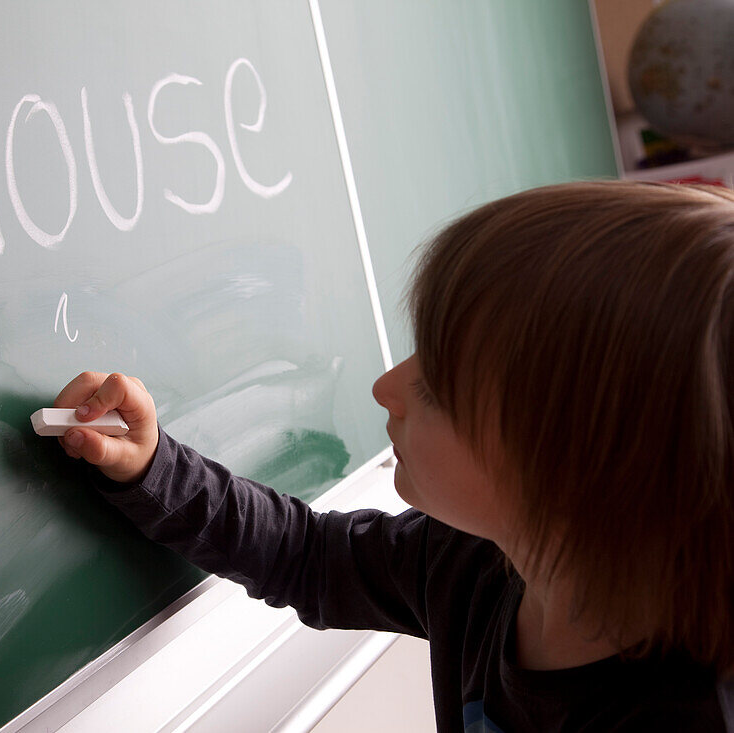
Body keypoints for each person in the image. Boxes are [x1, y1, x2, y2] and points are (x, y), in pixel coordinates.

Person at [53, 181, 734, 731]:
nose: (386, 386)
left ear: (569, 469)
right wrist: (153, 467)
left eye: (435, 386)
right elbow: (305, 554)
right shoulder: (474, 566)